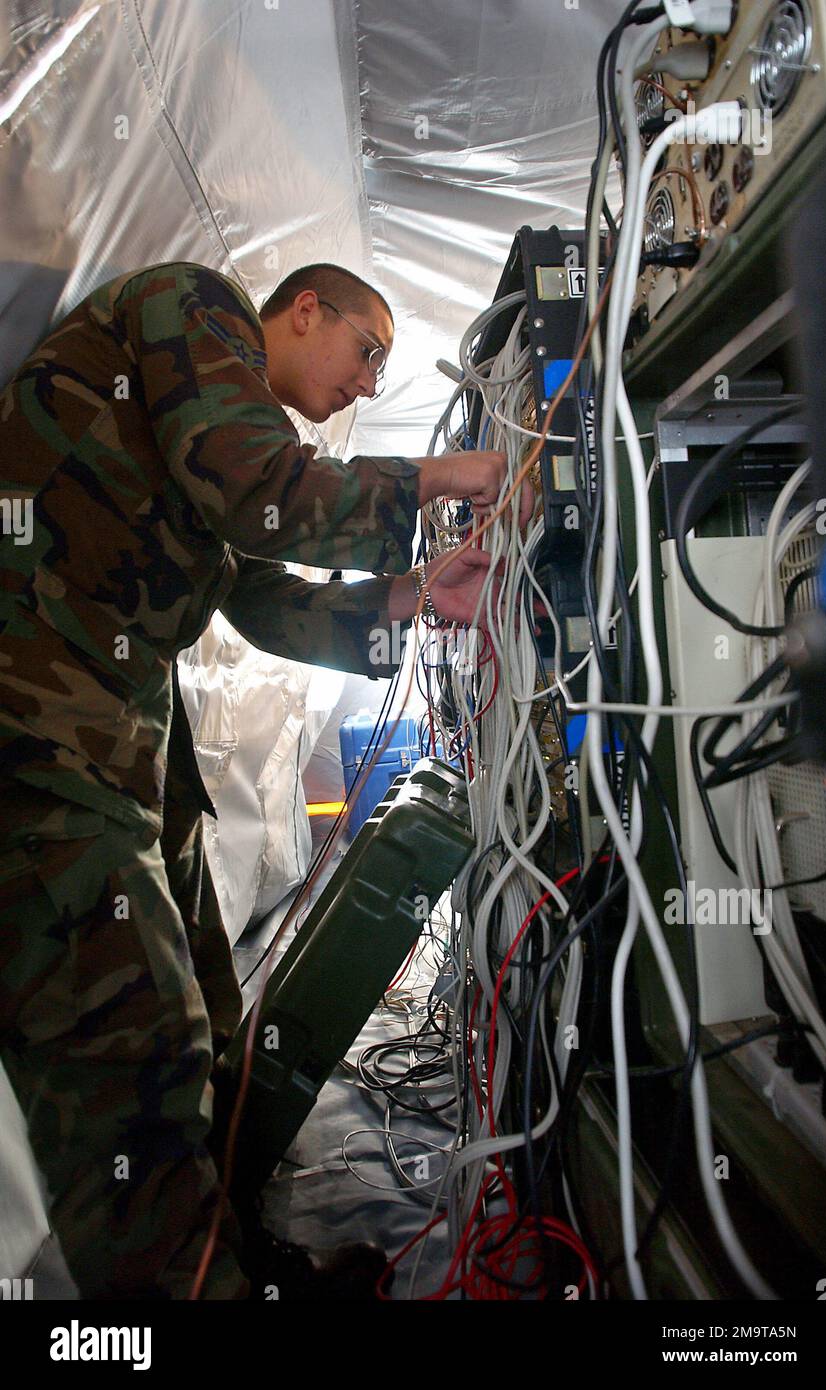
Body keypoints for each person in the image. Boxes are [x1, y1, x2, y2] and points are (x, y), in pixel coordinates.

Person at [0, 259, 530, 1298]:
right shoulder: (190, 306)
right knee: (133, 1062)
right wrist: (438, 476)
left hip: (116, 733)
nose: (371, 383)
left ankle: (233, 1256)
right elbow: (256, 492)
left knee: (205, 1013)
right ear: (301, 311)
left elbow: (264, 602)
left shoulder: (218, 422)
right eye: (367, 350)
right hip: (35, 729)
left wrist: (420, 595)